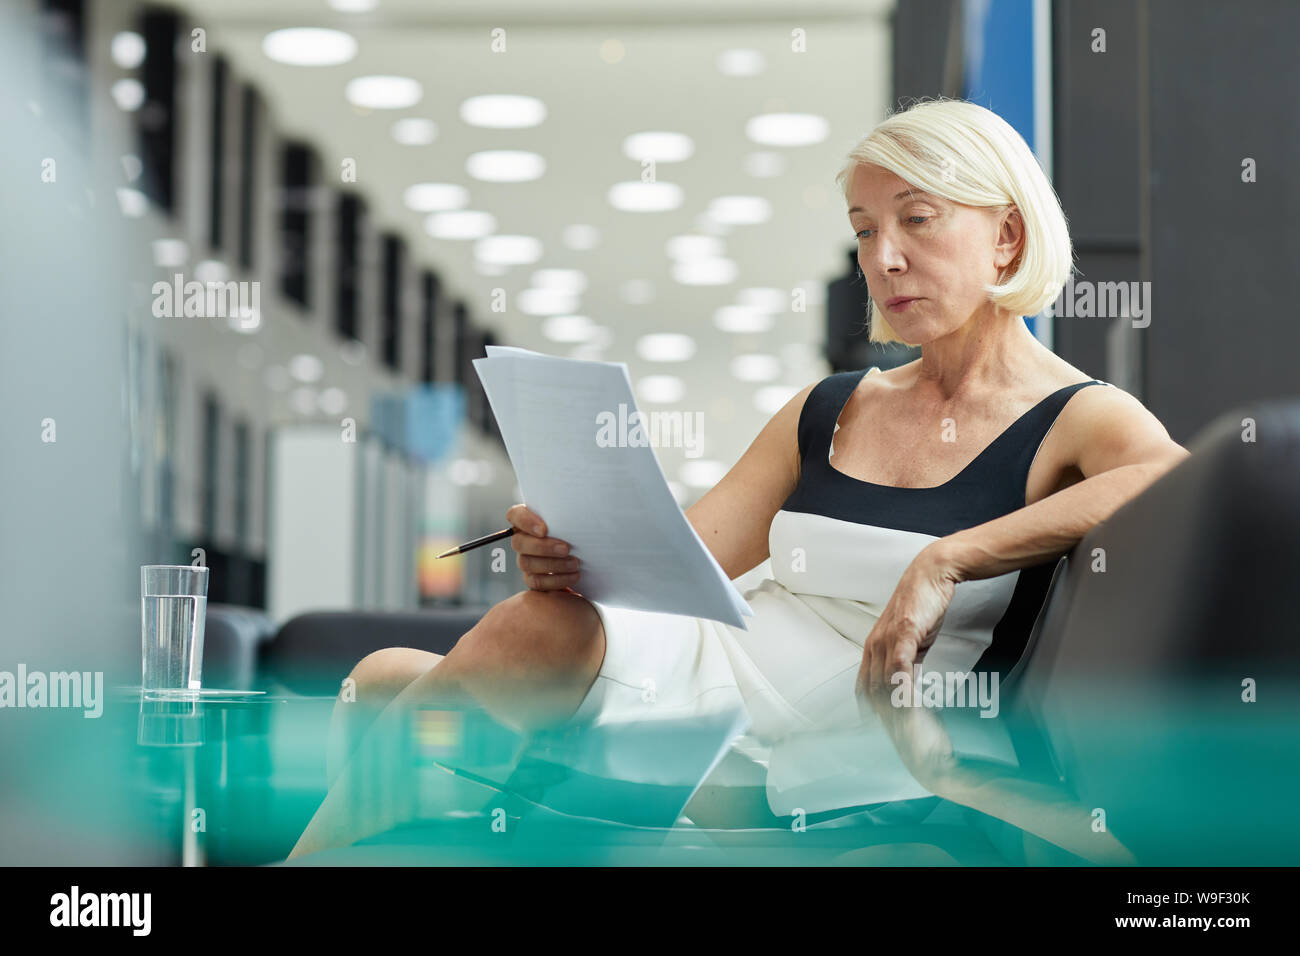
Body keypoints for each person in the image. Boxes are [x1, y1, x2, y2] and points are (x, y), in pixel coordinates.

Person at [289, 98, 1189, 861]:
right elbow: (684, 561)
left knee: (405, 691)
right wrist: (572, 550)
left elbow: (1173, 481)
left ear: (1007, 236)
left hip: (845, 738)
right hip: (710, 666)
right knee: (402, 669)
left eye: (918, 219)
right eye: (866, 231)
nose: (884, 258)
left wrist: (947, 560)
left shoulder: (1078, 415)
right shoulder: (831, 405)